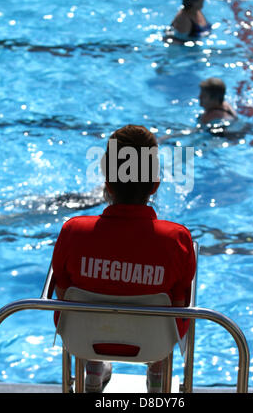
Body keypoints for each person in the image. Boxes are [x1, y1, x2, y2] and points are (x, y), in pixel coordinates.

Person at [52, 124, 196, 393]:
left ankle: (93, 368)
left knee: (85, 298)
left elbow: (62, 294)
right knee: (171, 308)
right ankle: (156, 375)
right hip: (156, 342)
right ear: (155, 185)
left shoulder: (73, 232)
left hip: (82, 338)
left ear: (107, 183)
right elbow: (179, 306)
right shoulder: (177, 240)